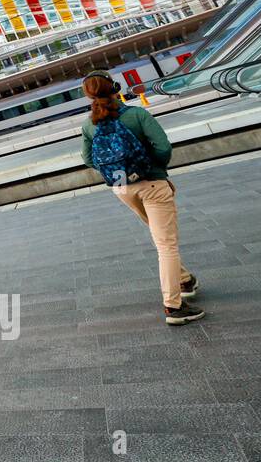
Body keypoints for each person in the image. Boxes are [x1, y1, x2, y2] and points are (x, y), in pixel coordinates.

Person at [80, 70, 202, 325]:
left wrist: (120, 173)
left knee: (160, 237)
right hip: (152, 185)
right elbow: (163, 147)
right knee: (166, 245)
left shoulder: (89, 124)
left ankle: (184, 279)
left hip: (123, 189)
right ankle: (174, 306)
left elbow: (89, 160)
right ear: (115, 87)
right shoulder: (137, 114)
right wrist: (151, 169)